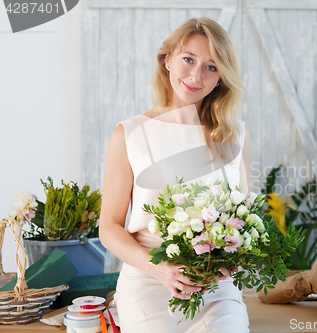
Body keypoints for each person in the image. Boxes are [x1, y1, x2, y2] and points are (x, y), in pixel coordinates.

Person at [99, 17, 252, 332]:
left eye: (211, 67)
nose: (196, 75)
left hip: (216, 290)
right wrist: (162, 269)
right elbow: (109, 228)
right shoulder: (129, 134)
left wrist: (234, 255)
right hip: (149, 280)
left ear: (221, 77)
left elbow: (245, 216)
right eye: (188, 59)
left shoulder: (236, 135)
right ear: (166, 59)